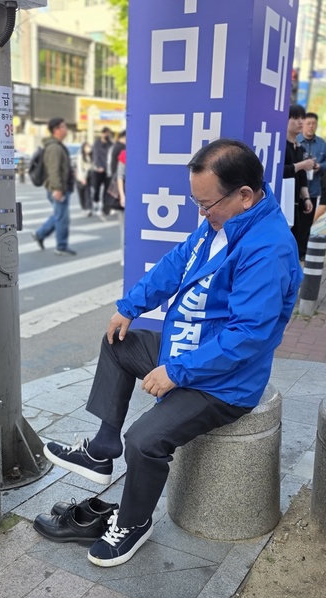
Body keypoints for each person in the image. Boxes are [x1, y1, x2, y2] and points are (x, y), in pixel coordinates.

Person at [37, 139, 303, 567]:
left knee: (143, 440)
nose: (202, 213)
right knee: (118, 341)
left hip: (225, 381)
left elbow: (248, 335)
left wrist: (177, 371)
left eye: (206, 204)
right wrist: (130, 306)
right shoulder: (224, 222)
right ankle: (102, 449)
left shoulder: (267, 248)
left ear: (245, 195)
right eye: (197, 203)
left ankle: (134, 522)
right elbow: (177, 262)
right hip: (188, 349)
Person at [32, 117, 76, 255]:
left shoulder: (57, 146)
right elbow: (54, 170)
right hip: (57, 188)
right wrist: (57, 189)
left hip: (60, 187)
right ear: (56, 129)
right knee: (62, 218)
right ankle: (61, 246)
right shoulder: (54, 148)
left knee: (59, 215)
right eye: (63, 126)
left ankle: (40, 234)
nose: (66, 129)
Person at [283, 104, 315, 260]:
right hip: (281, 201)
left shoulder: (300, 148)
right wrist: (302, 165)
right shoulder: (281, 144)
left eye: (303, 118)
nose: (300, 122)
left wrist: (306, 197)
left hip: (295, 202)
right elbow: (280, 171)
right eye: (295, 118)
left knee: (294, 238)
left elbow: (302, 177)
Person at [297, 112, 326, 228]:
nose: (311, 126)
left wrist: (320, 166)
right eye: (308, 123)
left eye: (314, 124)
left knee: (306, 228)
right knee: (294, 227)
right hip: (296, 192)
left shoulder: (322, 145)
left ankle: (304, 246)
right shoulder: (295, 141)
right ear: (303, 125)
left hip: (313, 191)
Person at [91, 127, 113, 213]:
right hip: (98, 170)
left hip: (107, 170)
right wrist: (98, 166)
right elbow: (96, 156)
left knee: (107, 190)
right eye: (105, 133)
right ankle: (95, 203)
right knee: (96, 188)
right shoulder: (97, 144)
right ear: (102, 133)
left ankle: (105, 208)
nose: (106, 135)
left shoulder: (111, 144)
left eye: (108, 133)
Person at [76, 141, 94, 216]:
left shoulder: (91, 156)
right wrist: (82, 178)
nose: (88, 148)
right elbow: (79, 168)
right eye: (86, 147)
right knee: (81, 194)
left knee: (88, 193)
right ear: (83, 148)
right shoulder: (80, 156)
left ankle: (88, 208)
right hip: (80, 177)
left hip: (89, 176)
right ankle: (84, 208)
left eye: (89, 147)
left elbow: (92, 166)